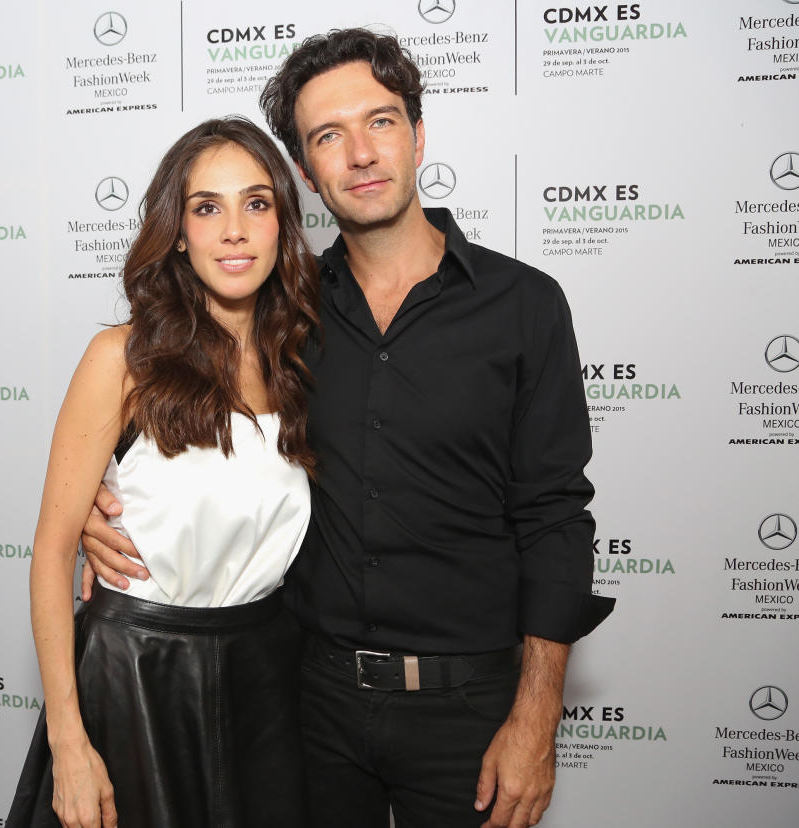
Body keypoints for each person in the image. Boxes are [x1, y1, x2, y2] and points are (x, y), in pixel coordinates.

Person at [80, 28, 616, 828]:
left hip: (469, 711)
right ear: (304, 170)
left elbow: (555, 516)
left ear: (419, 133)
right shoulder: (278, 318)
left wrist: (539, 714)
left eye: (381, 121)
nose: (360, 153)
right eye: (329, 135)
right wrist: (112, 497)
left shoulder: (524, 306)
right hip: (306, 701)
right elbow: (184, 426)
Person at [5, 116, 321, 828]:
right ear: (178, 231)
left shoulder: (300, 359)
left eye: (257, 203)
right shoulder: (122, 358)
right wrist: (67, 738)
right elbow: (53, 551)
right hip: (134, 677)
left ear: (283, 223)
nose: (234, 229)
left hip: (267, 678)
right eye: (207, 208)